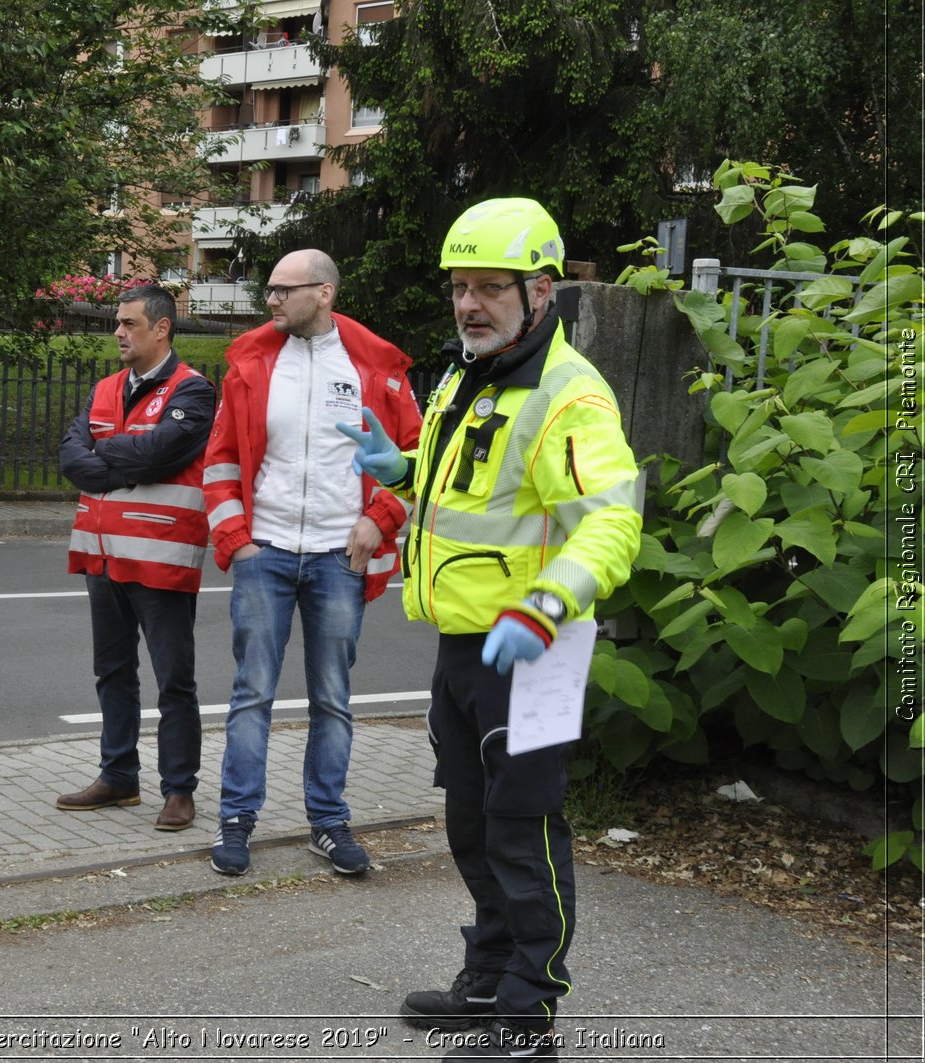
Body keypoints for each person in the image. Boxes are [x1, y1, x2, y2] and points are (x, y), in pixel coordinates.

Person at [340, 198, 641, 1058]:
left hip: (534, 646)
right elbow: (466, 487)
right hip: (465, 643)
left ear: (540, 291)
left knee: (524, 826)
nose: (469, 303)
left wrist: (544, 605)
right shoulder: (466, 371)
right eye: (459, 287)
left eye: (490, 288)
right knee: (471, 823)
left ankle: (528, 1014)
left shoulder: (568, 392)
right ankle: (491, 970)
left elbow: (611, 522)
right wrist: (401, 468)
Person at [202, 249, 422, 877]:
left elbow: (411, 457)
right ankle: (237, 820)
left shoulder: (376, 367)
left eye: (281, 290)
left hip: (339, 557)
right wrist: (238, 541)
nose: (269, 300)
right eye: (267, 289)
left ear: (323, 293)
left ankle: (327, 822)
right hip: (264, 553)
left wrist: (377, 522)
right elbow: (218, 462)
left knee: (332, 698)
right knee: (252, 695)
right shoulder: (249, 362)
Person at [58, 284, 215, 831]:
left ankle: (179, 790)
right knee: (113, 672)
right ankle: (119, 776)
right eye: (116, 324)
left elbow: (161, 453)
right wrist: (124, 456)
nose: (118, 333)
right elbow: (71, 457)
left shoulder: (194, 392)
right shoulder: (104, 388)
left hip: (161, 558)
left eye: (129, 324)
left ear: (161, 328)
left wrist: (109, 450)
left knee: (174, 679)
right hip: (103, 558)